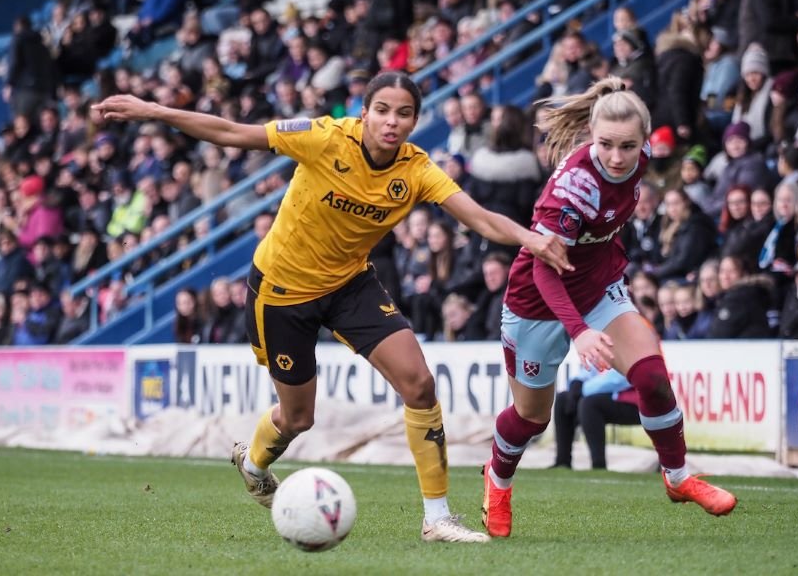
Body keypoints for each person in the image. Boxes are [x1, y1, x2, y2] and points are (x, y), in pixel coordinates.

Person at [93, 71, 571, 544]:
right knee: (298, 417)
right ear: (363, 113)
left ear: (414, 122)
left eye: (404, 114)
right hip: (281, 291)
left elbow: (480, 217)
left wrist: (532, 238)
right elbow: (232, 133)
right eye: (382, 110)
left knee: (420, 384)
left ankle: (438, 518)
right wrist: (155, 111)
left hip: (350, 285)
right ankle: (254, 462)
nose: (392, 122)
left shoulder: (417, 170)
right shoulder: (322, 137)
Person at [480, 77, 737, 540]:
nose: (617, 157)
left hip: (599, 291)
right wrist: (578, 332)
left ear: (644, 141)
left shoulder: (642, 159)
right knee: (532, 419)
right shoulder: (573, 188)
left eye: (627, 145)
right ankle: (496, 482)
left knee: (653, 380)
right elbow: (543, 270)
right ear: (591, 138)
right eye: (605, 145)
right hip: (537, 304)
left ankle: (678, 479)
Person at [552, 365, 640, 470]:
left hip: (636, 401)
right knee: (563, 399)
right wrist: (576, 383)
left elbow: (619, 380)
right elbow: (590, 369)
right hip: (605, 395)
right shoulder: (603, 349)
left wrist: (582, 390)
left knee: (589, 404)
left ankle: (598, 464)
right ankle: (562, 462)